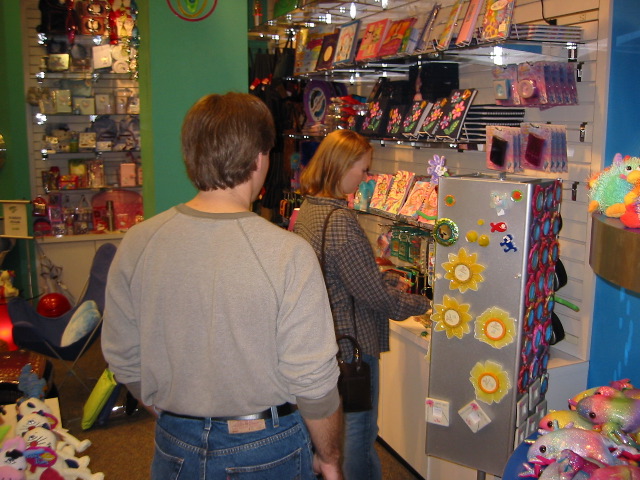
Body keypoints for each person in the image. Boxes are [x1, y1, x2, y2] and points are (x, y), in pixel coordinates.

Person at [102, 92, 343, 479]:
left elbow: (123, 358)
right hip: (268, 445)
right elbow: (313, 382)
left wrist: (179, 417)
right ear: (260, 158)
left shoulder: (139, 241)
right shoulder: (287, 253)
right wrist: (330, 458)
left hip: (174, 439)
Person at [294, 129, 430, 480]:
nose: (366, 178)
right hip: (351, 347)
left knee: (329, 433)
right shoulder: (339, 221)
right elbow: (377, 298)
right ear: (340, 167)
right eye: (363, 170)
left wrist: (381, 278)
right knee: (356, 435)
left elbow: (339, 276)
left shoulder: (310, 209)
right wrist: (422, 303)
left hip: (323, 337)